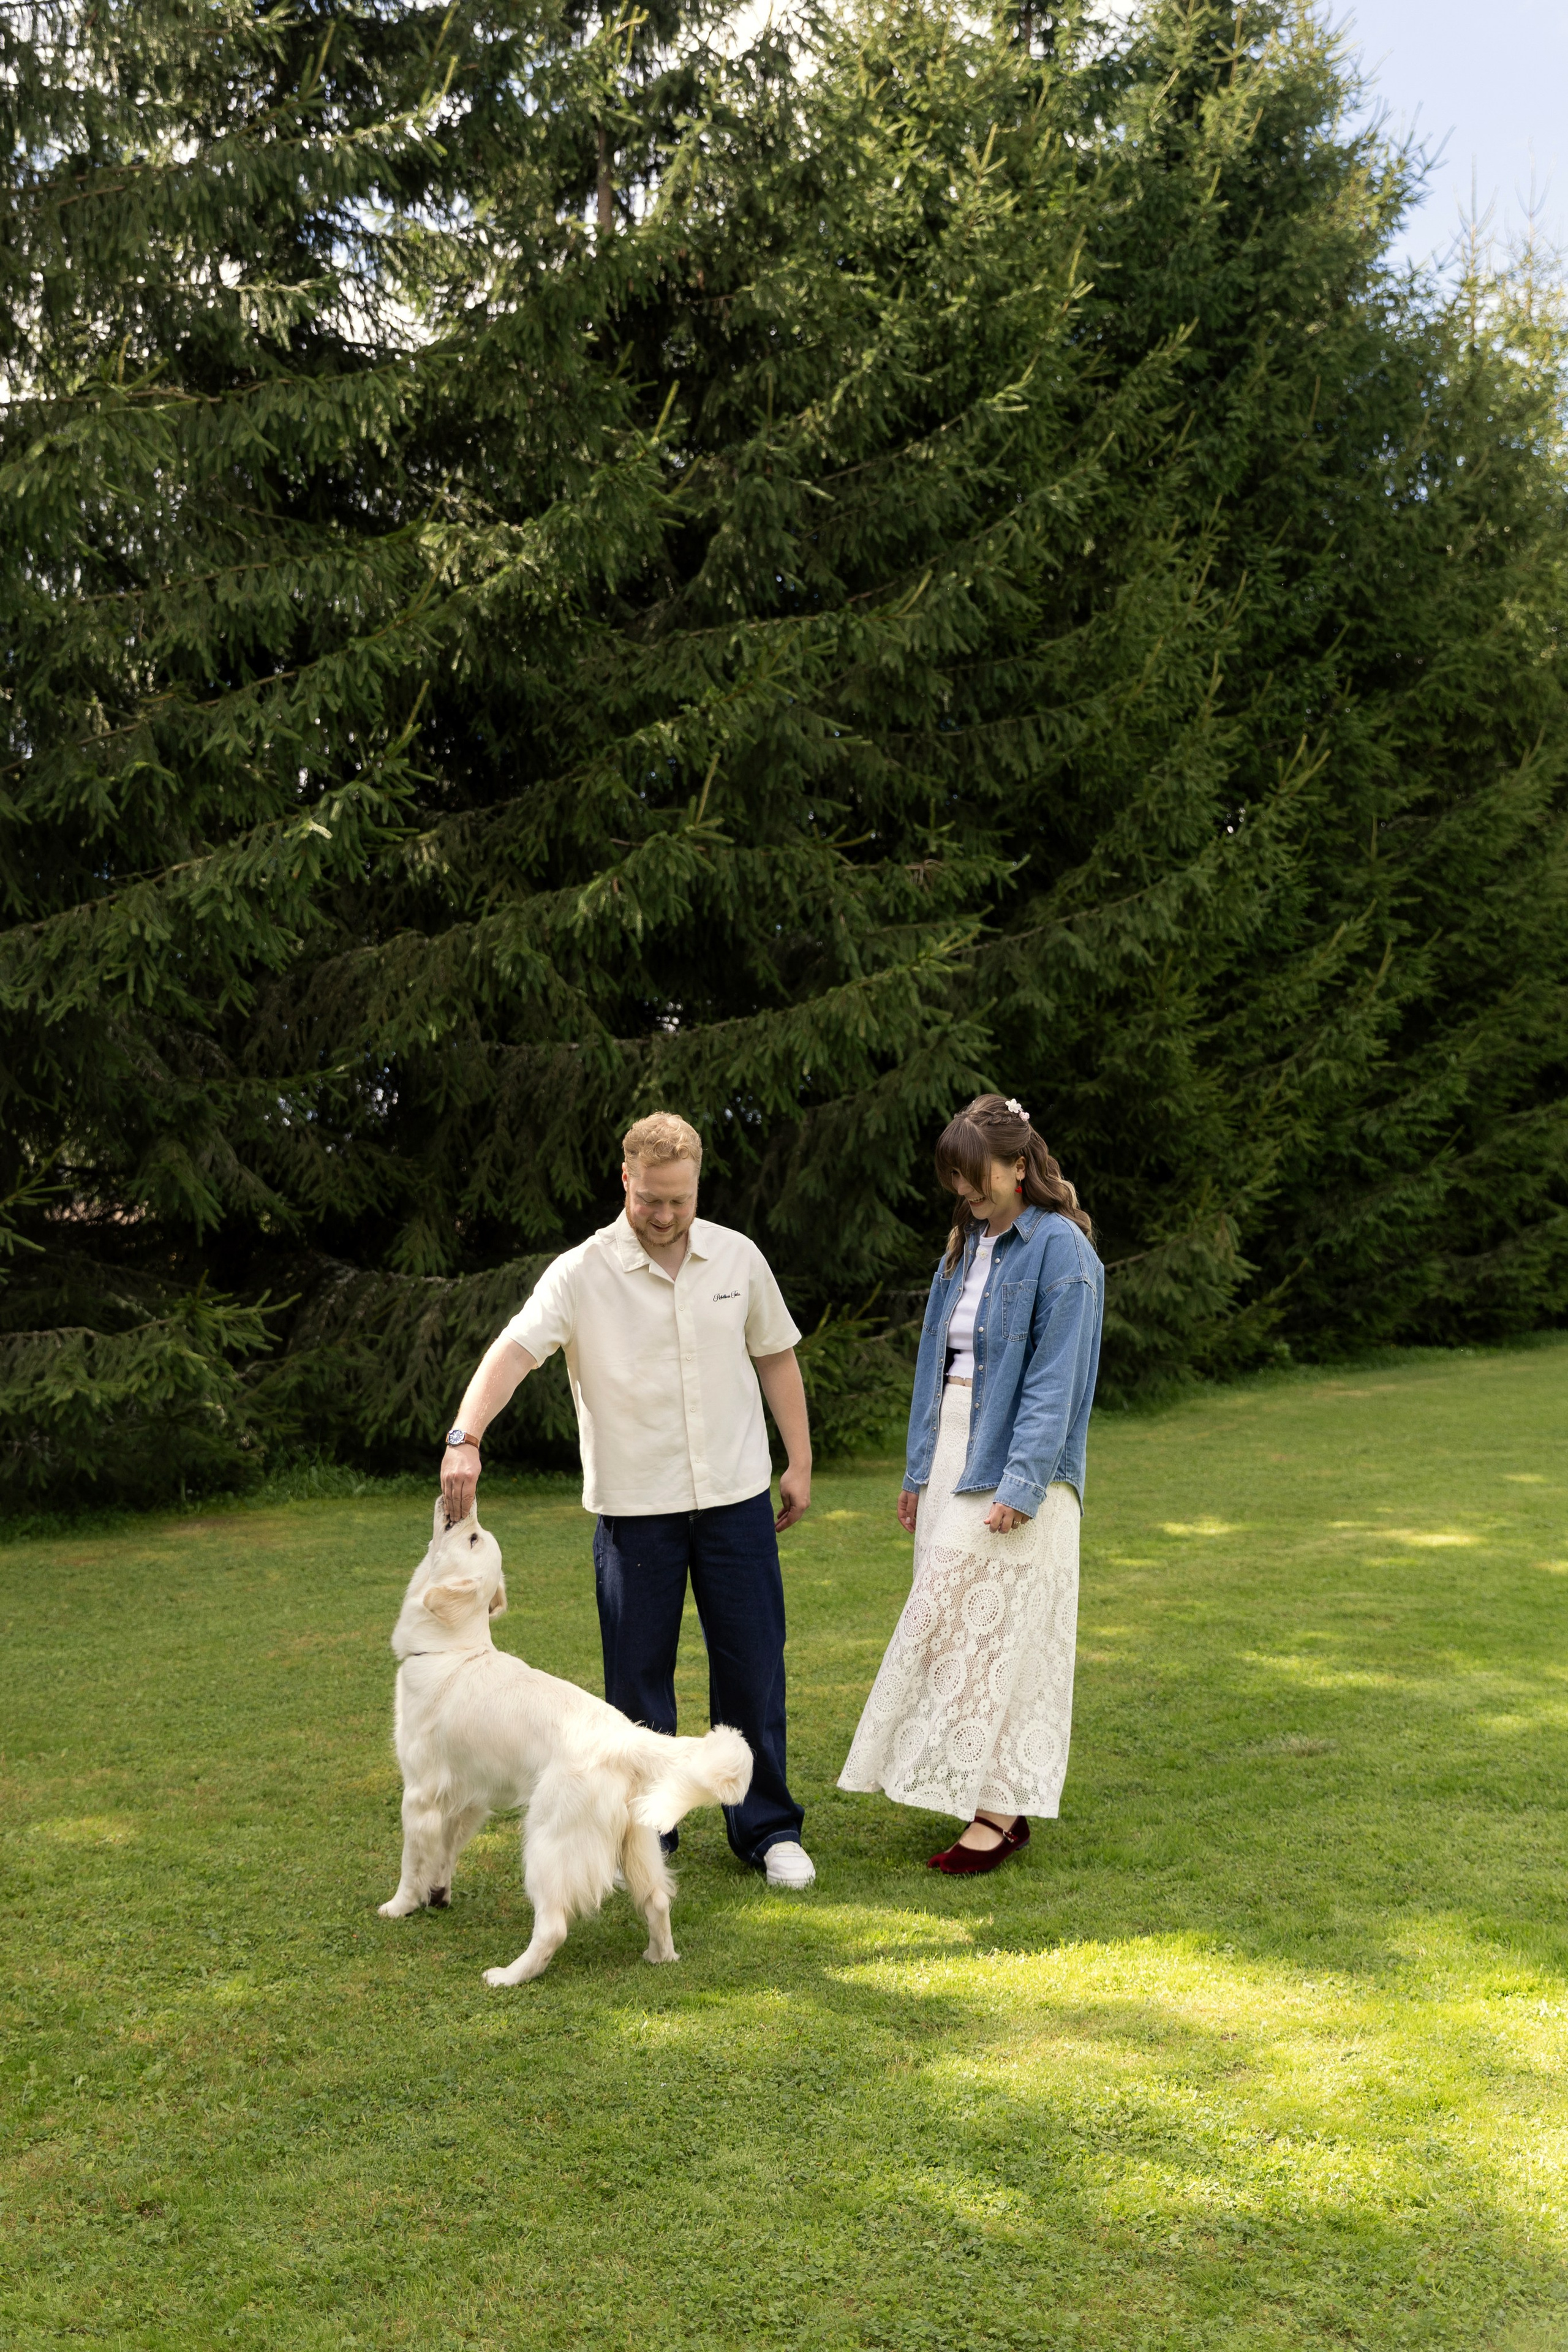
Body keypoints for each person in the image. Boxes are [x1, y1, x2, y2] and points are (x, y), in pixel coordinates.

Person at [439, 1112, 818, 1890]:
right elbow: (513, 1353)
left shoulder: (738, 1259)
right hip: (634, 1509)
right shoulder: (580, 1272)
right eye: (651, 1199)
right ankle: (652, 1835)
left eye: (678, 1200)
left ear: (696, 1185)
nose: (665, 1215)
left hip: (736, 1499)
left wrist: (800, 1459)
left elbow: (775, 1357)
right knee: (637, 1683)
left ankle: (768, 1829)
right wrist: (464, 1436)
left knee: (752, 1670)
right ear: (625, 1181)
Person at [838, 1094, 1103, 1874]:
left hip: (1018, 1464)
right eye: (956, 1181)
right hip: (954, 1451)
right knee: (953, 1629)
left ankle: (997, 1811)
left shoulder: (1061, 1251)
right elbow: (938, 1371)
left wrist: (1021, 1483)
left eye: (976, 1176)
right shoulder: (962, 1249)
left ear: (1019, 1165)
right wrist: (920, 1471)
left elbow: (1055, 1382)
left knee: (994, 1634)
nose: (966, 1193)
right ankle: (996, 1802)